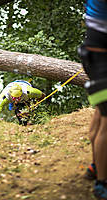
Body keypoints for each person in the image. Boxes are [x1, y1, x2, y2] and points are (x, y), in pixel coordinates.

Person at [77, 0, 107, 199]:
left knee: (101, 111)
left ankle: (97, 166)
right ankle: (102, 183)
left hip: (95, 56)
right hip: (101, 59)